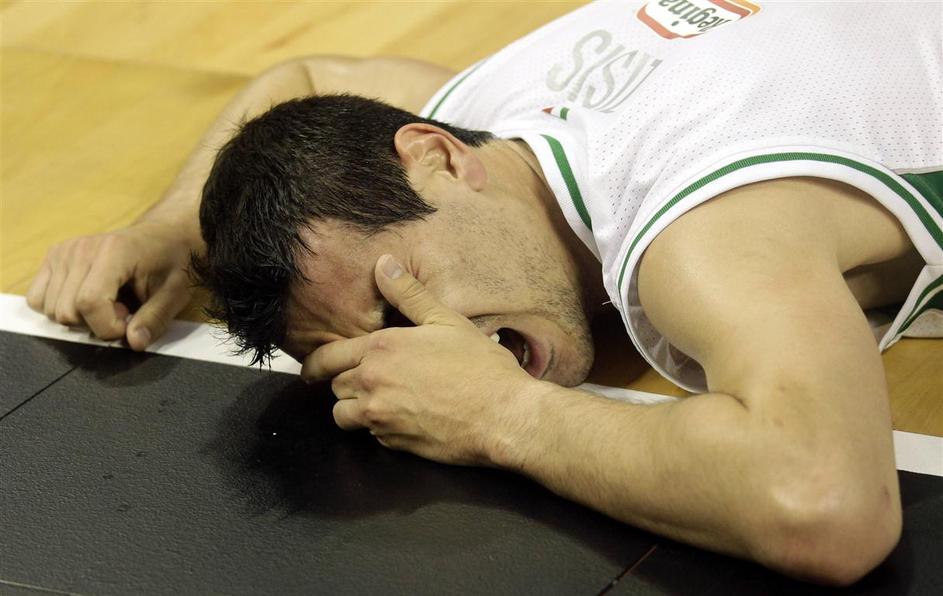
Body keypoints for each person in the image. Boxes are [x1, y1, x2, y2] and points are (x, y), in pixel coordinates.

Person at [26, 0, 941, 586]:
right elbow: (297, 82)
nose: (426, 345)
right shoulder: (496, 111)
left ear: (435, 157)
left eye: (397, 297)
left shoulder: (699, 227)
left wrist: (505, 415)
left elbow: (825, 504)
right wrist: (165, 229)